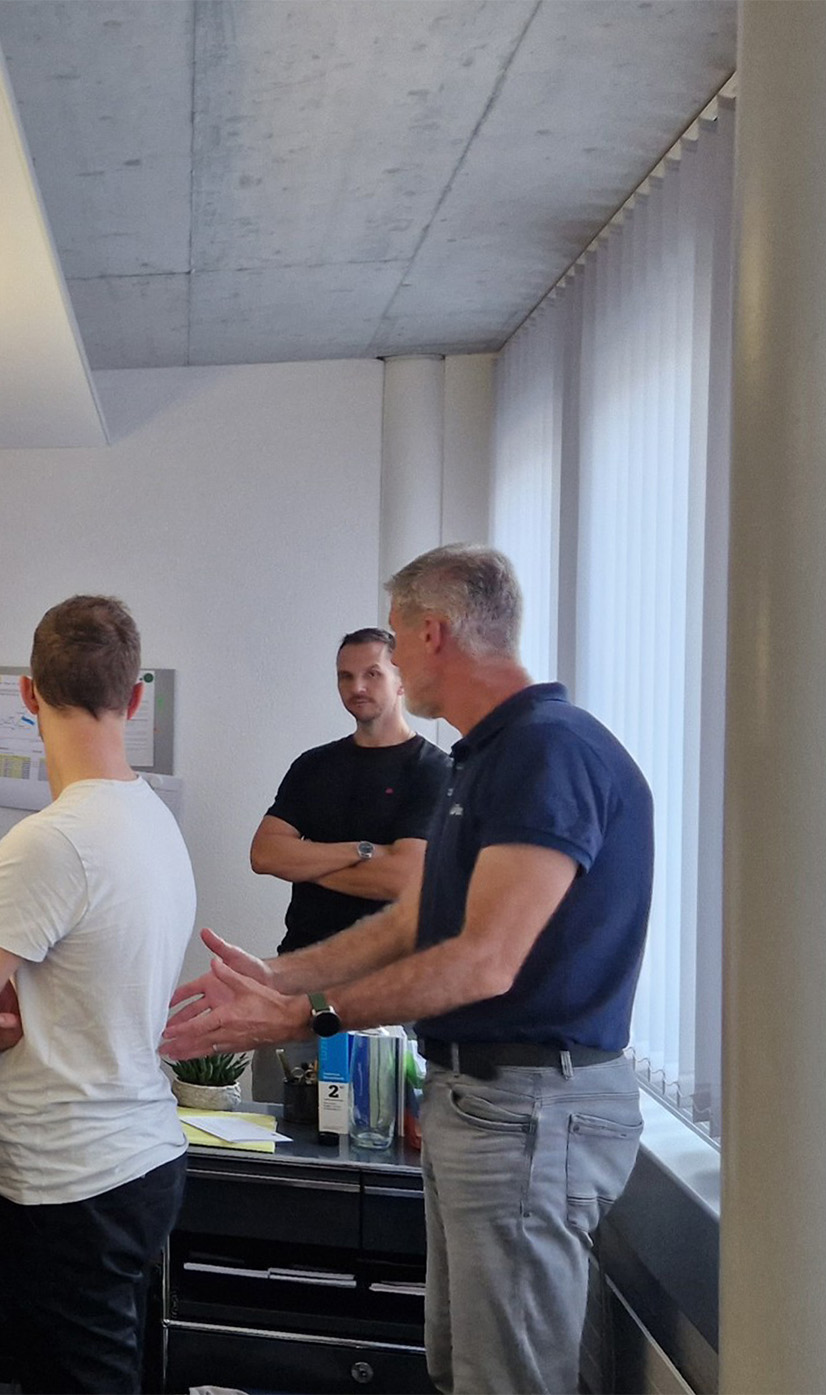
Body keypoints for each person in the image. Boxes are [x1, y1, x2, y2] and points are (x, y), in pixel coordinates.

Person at [163, 544, 652, 1395]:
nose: (378, 669)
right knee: (458, 1368)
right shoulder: (484, 757)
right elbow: (414, 920)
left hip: (530, 1111)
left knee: (507, 1381)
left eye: (394, 638)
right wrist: (278, 977)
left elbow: (483, 960)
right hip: (478, 1103)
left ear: (432, 633)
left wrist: (306, 1016)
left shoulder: (548, 752)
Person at [0, 596, 195, 1393]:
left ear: (28, 693)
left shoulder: (51, 841)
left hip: (74, 1178)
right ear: (134, 697)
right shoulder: (153, 818)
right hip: (141, 1153)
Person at [253, 625, 449, 954]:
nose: (357, 687)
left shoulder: (433, 770)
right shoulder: (313, 765)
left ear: (401, 680)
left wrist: (306, 864)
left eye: (372, 674)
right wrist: (364, 851)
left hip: (389, 968)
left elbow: (404, 878)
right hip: (301, 960)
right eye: (346, 677)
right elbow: (264, 855)